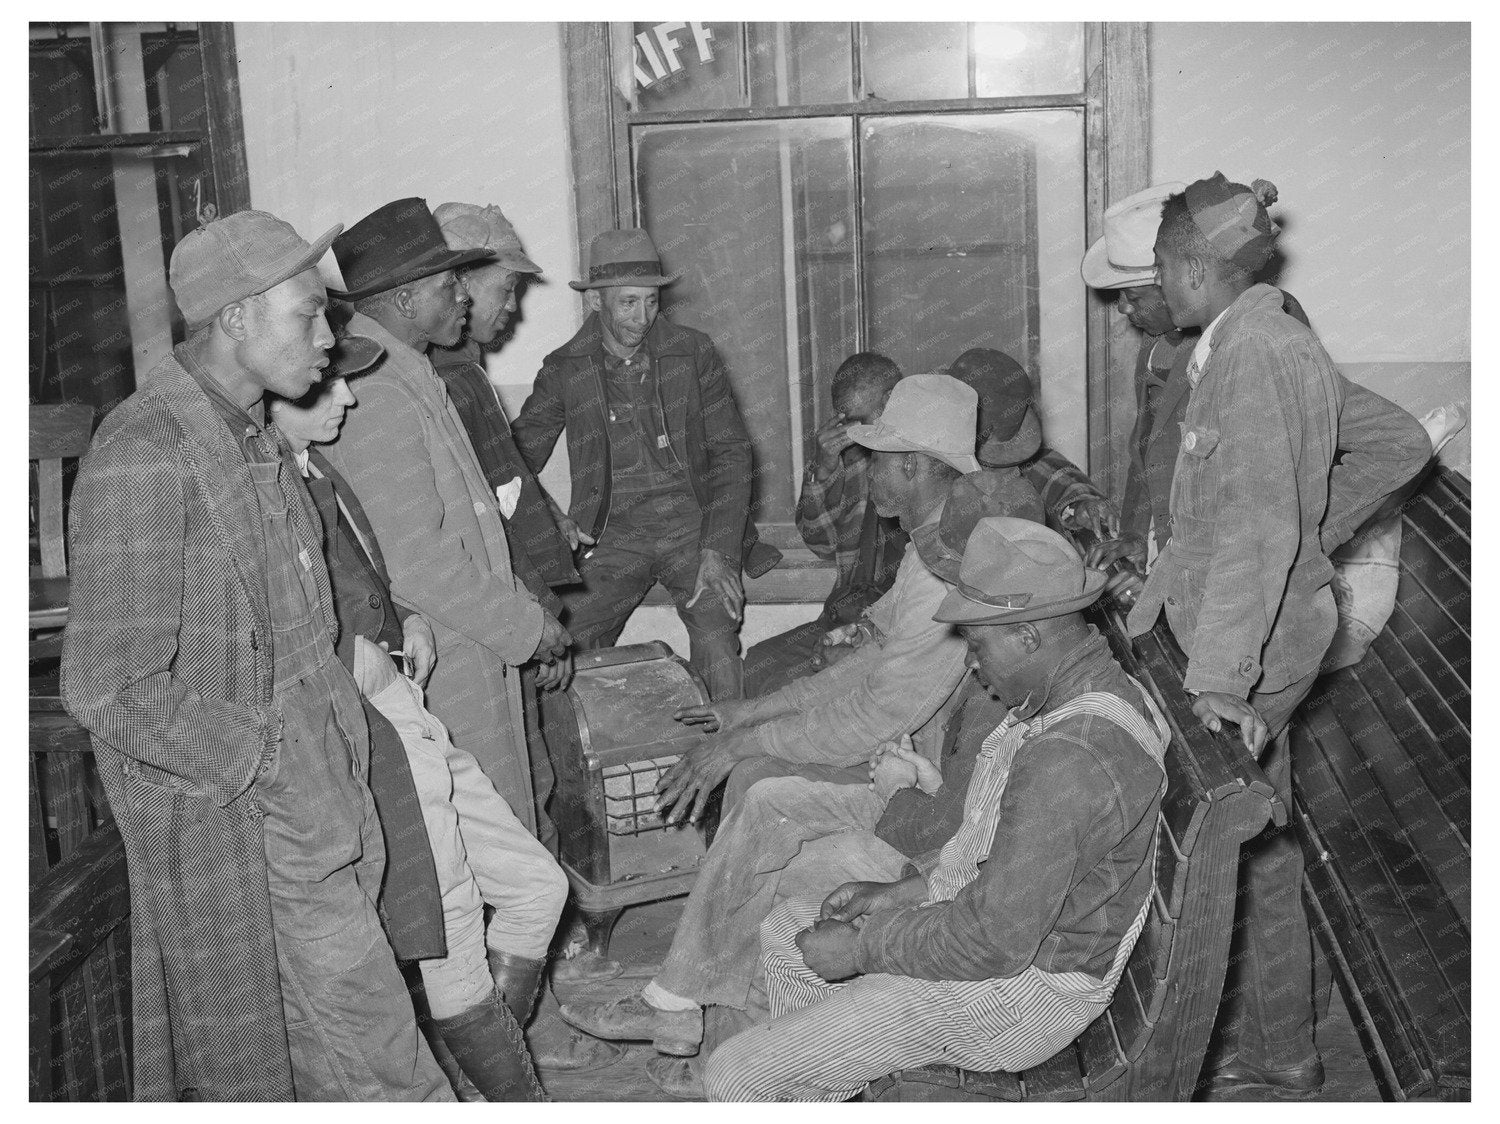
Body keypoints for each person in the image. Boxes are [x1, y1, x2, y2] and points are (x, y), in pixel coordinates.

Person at [61, 210, 451, 1100]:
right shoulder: (145, 453)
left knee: (330, 1073)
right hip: (260, 827)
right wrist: (268, 760)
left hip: (329, 808)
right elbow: (109, 687)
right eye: (310, 314)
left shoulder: (253, 436)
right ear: (235, 318)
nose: (330, 335)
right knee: (395, 1075)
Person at [559, 470, 1041, 1098]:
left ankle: (730, 1041)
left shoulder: (1031, 694)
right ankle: (681, 1006)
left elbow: (963, 849)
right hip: (923, 803)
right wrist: (755, 718)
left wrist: (900, 787)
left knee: (776, 860)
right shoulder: (995, 628)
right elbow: (890, 693)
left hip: (922, 840)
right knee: (763, 800)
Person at [1128, 173, 1426, 1097]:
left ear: (1187, 268)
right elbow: (1400, 440)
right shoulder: (1254, 338)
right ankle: (1284, 1041)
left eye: (1157, 269)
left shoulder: (1257, 353)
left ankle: (1249, 1044)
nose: (1156, 285)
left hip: (1247, 651)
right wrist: (1312, 528)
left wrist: (1219, 681)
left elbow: (1258, 533)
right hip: (1248, 626)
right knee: (1261, 840)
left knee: (1224, 843)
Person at [700, 517, 1170, 1101]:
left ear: (1027, 634)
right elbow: (1000, 870)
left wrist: (865, 947)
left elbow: (992, 943)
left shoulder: (1070, 759)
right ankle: (825, 1069)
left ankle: (796, 1068)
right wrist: (902, 892)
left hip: (1024, 994)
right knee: (788, 933)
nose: (973, 665)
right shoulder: (1083, 691)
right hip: (1011, 943)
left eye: (978, 646)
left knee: (732, 1075)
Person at [271, 325, 605, 1097]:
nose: (347, 396)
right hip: (374, 736)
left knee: (537, 888)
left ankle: (476, 1065)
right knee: (452, 943)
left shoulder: (318, 473)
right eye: (324, 388)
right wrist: (350, 646)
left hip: (408, 708)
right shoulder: (271, 489)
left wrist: (398, 621)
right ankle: (508, 1094)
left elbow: (371, 571)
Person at [319, 197, 569, 850]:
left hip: (467, 644)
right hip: (441, 659)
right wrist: (522, 623)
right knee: (485, 853)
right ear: (405, 299)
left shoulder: (412, 373)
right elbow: (414, 559)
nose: (464, 296)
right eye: (447, 284)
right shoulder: (375, 390)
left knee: (507, 837)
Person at [1080, 182, 1433, 606]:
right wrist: (1141, 539)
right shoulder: (1158, 342)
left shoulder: (1265, 336)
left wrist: (1299, 540)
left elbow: (1259, 489)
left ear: (1182, 277)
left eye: (1133, 295)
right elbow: (1152, 455)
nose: (1122, 308)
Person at [745, 347, 1114, 696]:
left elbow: (1057, 479)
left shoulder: (990, 475)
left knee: (790, 693)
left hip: (918, 631)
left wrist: (1081, 502)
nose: (861, 431)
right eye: (851, 421)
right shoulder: (865, 462)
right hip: (861, 612)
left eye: (871, 417)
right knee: (760, 666)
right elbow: (820, 542)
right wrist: (822, 472)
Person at [512, 228, 765, 701]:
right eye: (628, 303)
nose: (643, 317)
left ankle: (729, 757)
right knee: (561, 645)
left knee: (716, 627)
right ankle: (582, 767)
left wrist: (719, 551)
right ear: (595, 303)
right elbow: (513, 462)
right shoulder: (565, 368)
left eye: (651, 302)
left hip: (694, 529)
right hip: (609, 537)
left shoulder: (693, 352)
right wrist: (550, 515)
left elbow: (733, 452)